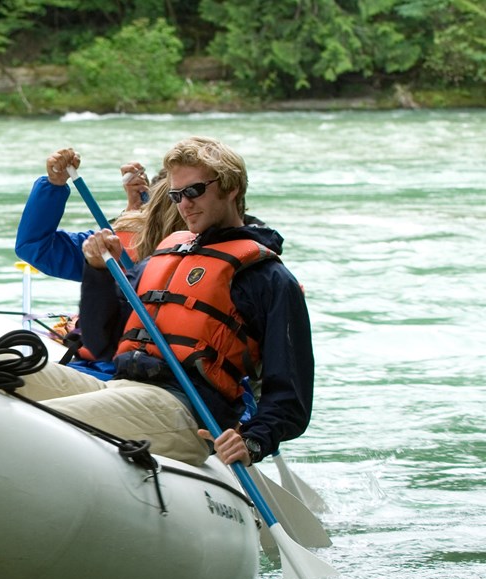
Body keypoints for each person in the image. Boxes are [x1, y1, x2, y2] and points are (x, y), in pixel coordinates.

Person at [24, 136, 314, 468]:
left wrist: (254, 440)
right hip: (123, 389)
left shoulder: (269, 278)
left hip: (185, 413)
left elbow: (290, 394)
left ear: (231, 187)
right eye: (176, 195)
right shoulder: (162, 257)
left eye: (194, 191)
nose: (184, 204)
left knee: (31, 422)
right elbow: (102, 342)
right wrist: (99, 274)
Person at [14, 148, 184, 384]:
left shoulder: (206, 255)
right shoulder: (116, 242)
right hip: (93, 366)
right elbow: (36, 247)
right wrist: (54, 185)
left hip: (140, 376)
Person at [15, 147, 181, 283]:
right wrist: (131, 214)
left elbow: (34, 246)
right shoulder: (117, 243)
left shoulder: (118, 244)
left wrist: (55, 184)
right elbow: (36, 246)